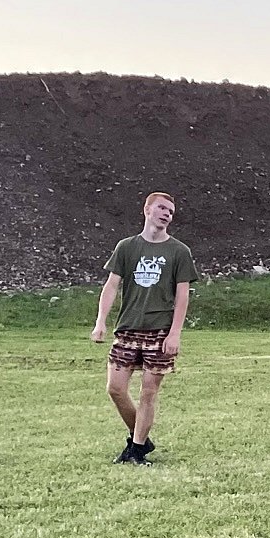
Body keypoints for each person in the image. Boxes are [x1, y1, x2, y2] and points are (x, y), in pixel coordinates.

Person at [91, 191, 196, 464]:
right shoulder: (126, 247)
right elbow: (111, 286)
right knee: (115, 388)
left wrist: (175, 333)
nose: (166, 214)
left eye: (170, 212)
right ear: (147, 210)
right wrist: (101, 321)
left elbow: (183, 295)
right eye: (162, 208)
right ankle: (141, 437)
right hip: (127, 328)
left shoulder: (179, 252)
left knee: (148, 392)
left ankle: (137, 449)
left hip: (160, 331)